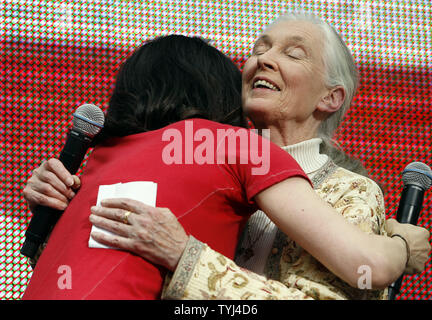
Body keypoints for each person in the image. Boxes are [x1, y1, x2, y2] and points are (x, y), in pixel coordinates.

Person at [22, 22, 430, 300]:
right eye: (258, 50)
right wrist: (57, 208)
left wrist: (188, 258)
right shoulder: (203, 156)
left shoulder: (349, 190)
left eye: (293, 53)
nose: (263, 59)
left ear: (330, 97)